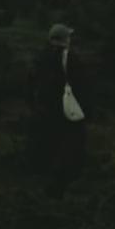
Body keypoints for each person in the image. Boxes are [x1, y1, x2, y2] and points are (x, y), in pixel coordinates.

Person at [27, 23, 93, 198]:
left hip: (44, 109)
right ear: (65, 39)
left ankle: (41, 184)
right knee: (71, 146)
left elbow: (30, 81)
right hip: (65, 110)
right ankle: (60, 186)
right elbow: (82, 83)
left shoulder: (40, 57)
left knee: (47, 145)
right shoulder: (70, 58)